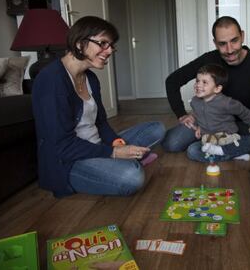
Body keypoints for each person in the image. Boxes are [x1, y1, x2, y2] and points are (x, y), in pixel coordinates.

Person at [32, 16, 165, 198]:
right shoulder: (51, 80)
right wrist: (114, 152)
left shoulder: (90, 78)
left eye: (111, 45)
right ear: (80, 44)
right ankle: (128, 163)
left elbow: (101, 123)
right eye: (103, 43)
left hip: (99, 145)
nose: (109, 51)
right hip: (70, 161)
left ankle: (125, 161)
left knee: (157, 128)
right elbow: (62, 146)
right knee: (131, 177)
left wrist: (116, 143)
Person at [162, 16, 250, 153]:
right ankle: (218, 145)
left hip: (238, 125)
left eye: (234, 41)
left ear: (242, 36)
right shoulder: (208, 59)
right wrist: (181, 114)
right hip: (204, 121)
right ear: (215, 43)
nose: (229, 50)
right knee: (172, 143)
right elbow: (172, 81)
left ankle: (213, 147)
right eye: (222, 44)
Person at [187, 63, 250, 162]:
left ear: (217, 88)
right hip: (209, 140)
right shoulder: (195, 101)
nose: (198, 85)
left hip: (228, 138)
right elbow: (197, 114)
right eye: (197, 81)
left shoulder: (226, 102)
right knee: (192, 151)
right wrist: (198, 127)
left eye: (204, 82)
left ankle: (223, 151)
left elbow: (242, 110)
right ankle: (232, 154)